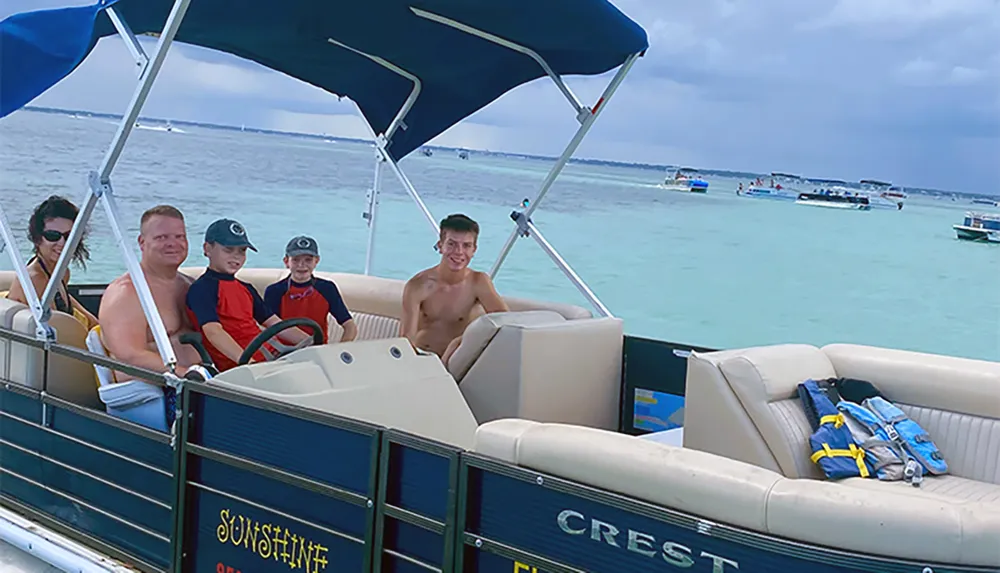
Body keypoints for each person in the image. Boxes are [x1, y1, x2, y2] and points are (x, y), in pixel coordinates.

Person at [185, 218, 309, 372]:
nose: (236, 257)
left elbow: (276, 325)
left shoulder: (246, 288)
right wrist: (248, 363)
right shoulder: (202, 289)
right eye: (228, 249)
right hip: (241, 369)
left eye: (242, 251)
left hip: (273, 359)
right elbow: (213, 332)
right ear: (207, 249)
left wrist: (312, 343)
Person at [99, 205, 202, 378]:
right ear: (142, 242)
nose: (173, 243)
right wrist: (188, 376)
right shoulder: (126, 293)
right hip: (155, 391)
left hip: (203, 382)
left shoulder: (190, 285)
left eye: (179, 237)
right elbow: (130, 356)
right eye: (162, 237)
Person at [401, 214, 508, 367]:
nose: (458, 252)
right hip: (422, 360)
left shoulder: (479, 283)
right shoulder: (417, 285)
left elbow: (506, 324)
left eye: (466, 245)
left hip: (457, 364)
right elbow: (406, 340)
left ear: (474, 250)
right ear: (440, 246)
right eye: (451, 244)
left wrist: (459, 341)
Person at [7, 195, 98, 330]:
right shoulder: (35, 279)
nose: (62, 243)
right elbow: (58, 331)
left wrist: (99, 326)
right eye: (52, 235)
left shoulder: (60, 272)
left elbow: (70, 304)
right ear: (37, 238)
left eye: (69, 236)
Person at [263, 235, 358, 344]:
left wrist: (340, 349)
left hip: (316, 352)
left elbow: (349, 325)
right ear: (286, 262)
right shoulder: (274, 291)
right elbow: (268, 330)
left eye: (308, 260)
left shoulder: (327, 288)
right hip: (283, 353)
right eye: (295, 260)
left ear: (316, 261)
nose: (301, 265)